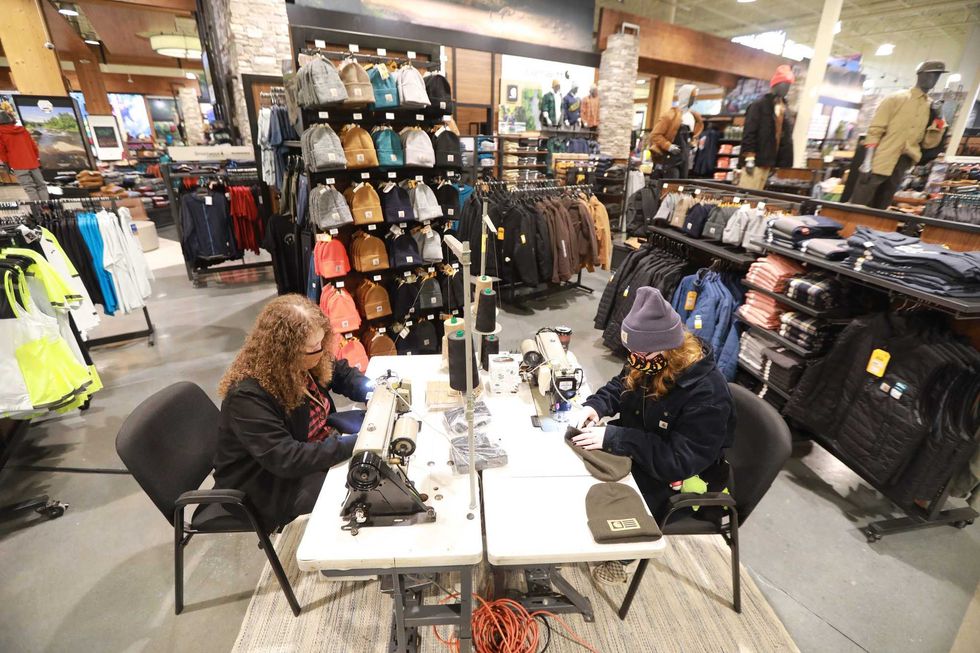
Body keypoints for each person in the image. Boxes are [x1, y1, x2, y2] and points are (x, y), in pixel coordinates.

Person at [572, 287, 735, 524]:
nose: (635, 360)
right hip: (640, 455)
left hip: (673, 479)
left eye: (641, 353)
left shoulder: (707, 395)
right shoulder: (651, 360)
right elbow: (622, 384)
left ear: (670, 347)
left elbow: (679, 461)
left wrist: (618, 438)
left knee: (597, 515)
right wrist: (596, 406)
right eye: (632, 353)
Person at [213, 295, 372, 531]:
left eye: (321, 344)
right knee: (358, 494)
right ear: (285, 352)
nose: (319, 352)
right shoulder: (247, 397)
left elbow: (339, 372)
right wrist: (354, 444)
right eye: (312, 349)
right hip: (266, 483)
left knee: (371, 468)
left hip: (313, 446)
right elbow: (286, 458)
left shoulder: (307, 359)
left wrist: (372, 389)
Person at [0, 110, 49, 201]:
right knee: (41, 185)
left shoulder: (1, 133)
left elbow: (2, 151)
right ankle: (46, 209)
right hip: (32, 162)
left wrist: (7, 165)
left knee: (29, 188)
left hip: (18, 165)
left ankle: (39, 211)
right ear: (10, 120)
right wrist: (37, 159)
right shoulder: (22, 130)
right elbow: (33, 146)